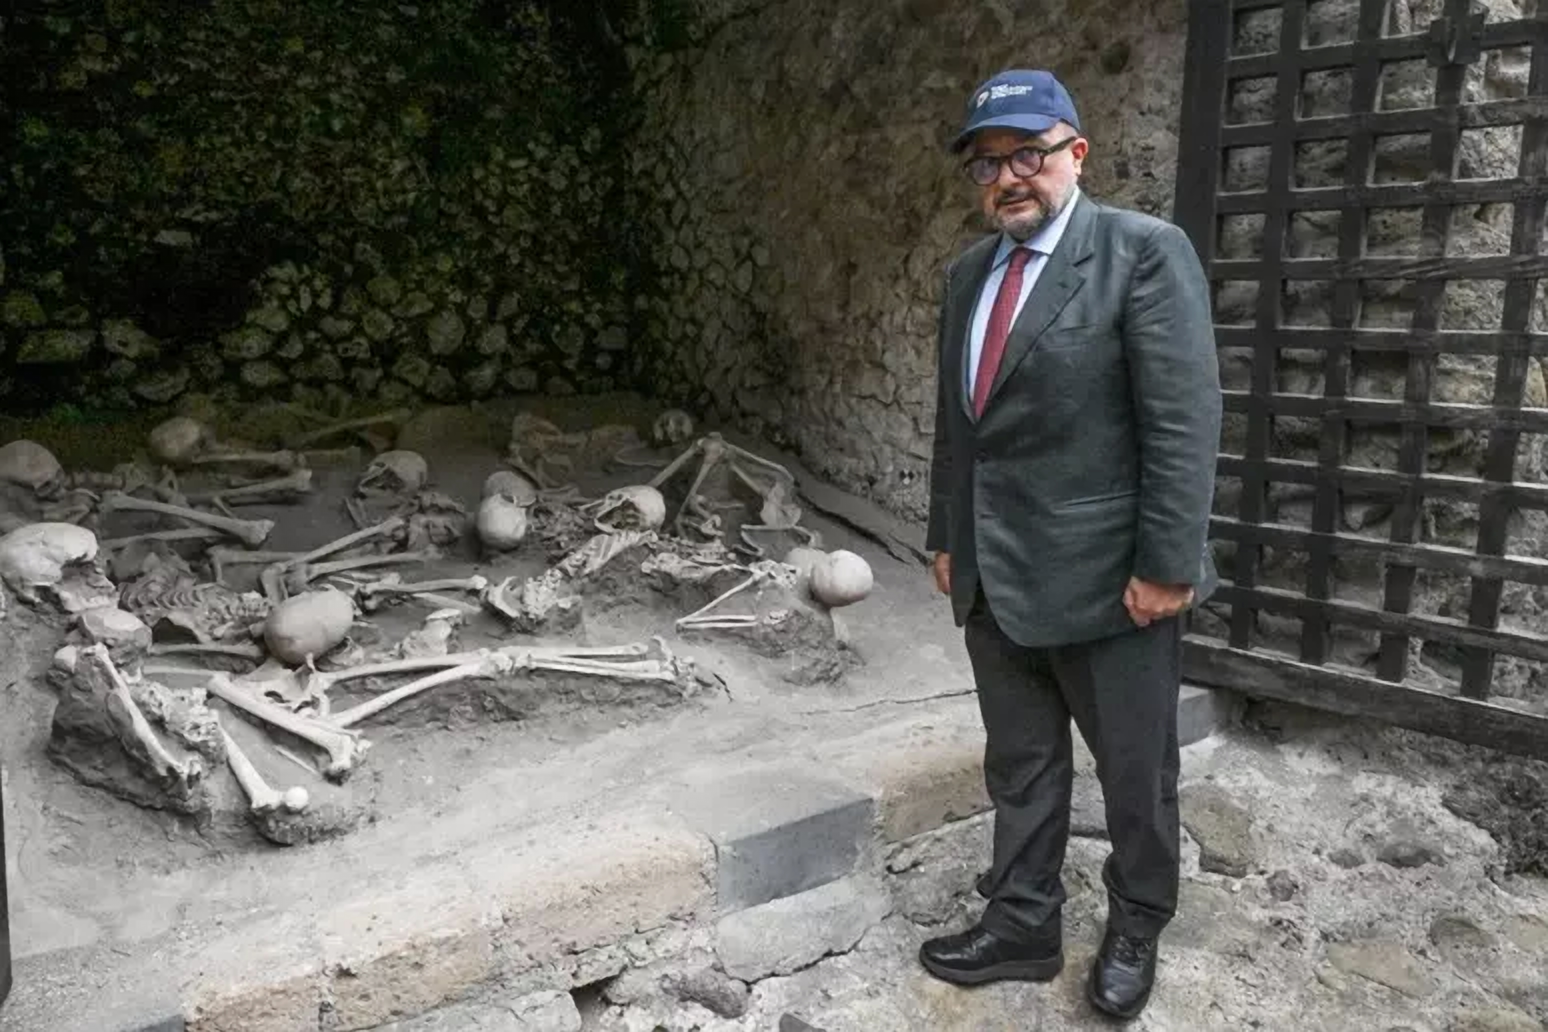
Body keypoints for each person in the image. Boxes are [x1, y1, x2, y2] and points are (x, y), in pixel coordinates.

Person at [918, 68, 1222, 1020]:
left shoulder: (1142, 253)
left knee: (1136, 770)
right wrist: (944, 534)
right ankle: (1022, 922)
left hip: (1110, 583)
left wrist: (1167, 564)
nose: (1009, 177)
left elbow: (1181, 419)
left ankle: (1138, 919)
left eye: (1029, 154)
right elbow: (957, 422)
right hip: (992, 576)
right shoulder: (970, 273)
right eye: (988, 163)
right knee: (1021, 763)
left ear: (1075, 154)